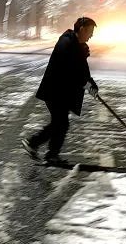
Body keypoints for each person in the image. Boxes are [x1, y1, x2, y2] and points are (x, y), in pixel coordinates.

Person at [21, 16, 98, 165]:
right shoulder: (67, 43)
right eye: (90, 31)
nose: (91, 35)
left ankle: (46, 151)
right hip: (55, 90)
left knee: (60, 123)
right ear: (81, 30)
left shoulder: (76, 44)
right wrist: (87, 84)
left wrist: (91, 85)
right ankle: (36, 145)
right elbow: (71, 70)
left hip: (61, 91)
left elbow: (82, 70)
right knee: (60, 123)